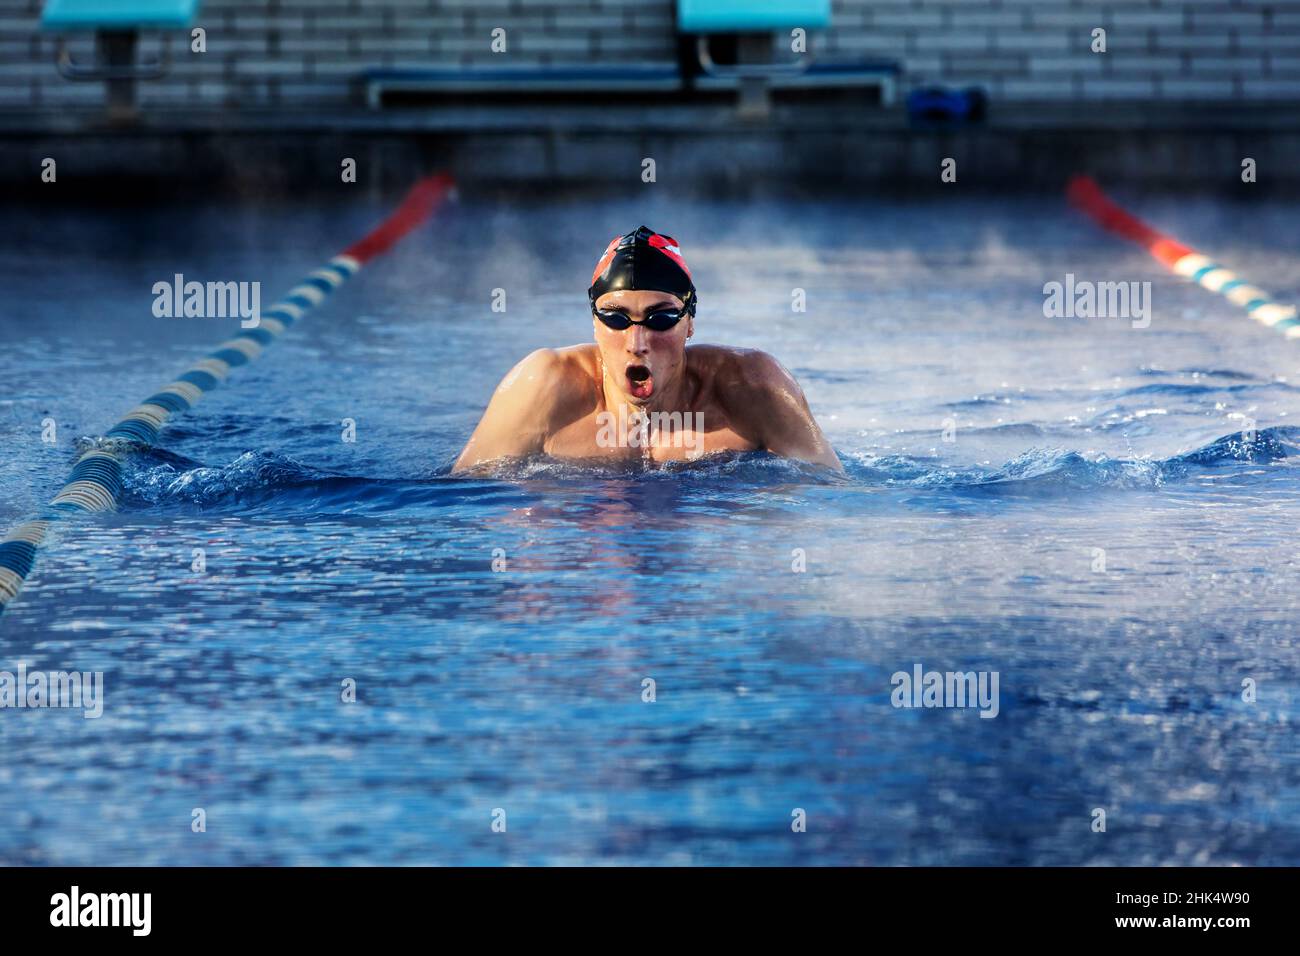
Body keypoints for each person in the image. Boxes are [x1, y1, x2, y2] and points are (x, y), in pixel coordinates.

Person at [453, 225, 843, 473]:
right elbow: (460, 504)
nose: (637, 343)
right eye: (616, 318)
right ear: (593, 321)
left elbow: (828, 497)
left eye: (660, 320)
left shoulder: (754, 388)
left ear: (690, 322)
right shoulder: (542, 387)